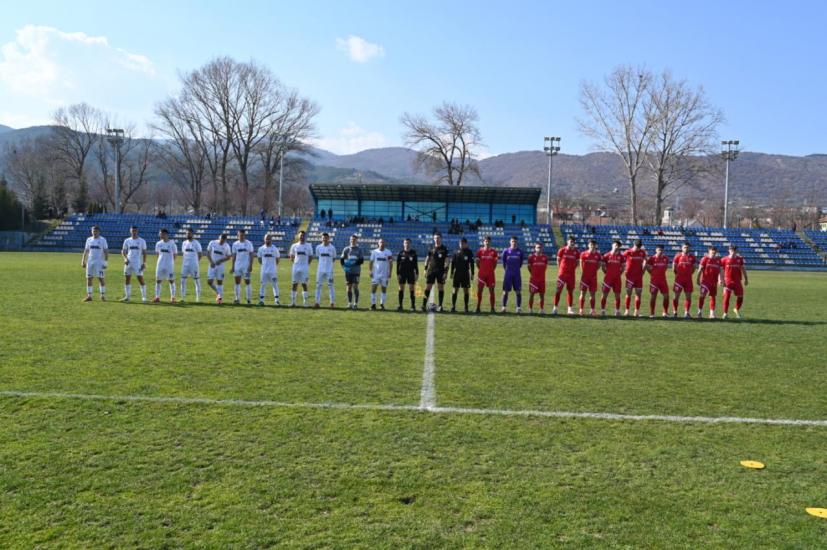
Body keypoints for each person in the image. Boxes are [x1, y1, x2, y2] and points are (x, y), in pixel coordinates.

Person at [553, 236, 580, 315]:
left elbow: (577, 263)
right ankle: (555, 308)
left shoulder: (576, 252)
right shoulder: (562, 250)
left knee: (570, 291)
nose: (572, 243)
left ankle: (569, 309)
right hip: (562, 274)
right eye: (571, 241)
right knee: (558, 290)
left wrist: (572, 269)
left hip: (571, 275)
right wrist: (561, 269)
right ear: (567, 241)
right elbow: (558, 260)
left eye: (573, 242)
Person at [422, 233, 449, 312]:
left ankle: (440, 306)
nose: (437, 239)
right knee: (428, 287)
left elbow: (447, 261)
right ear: (433, 239)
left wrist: (445, 272)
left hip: (440, 271)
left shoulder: (444, 249)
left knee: (440, 287)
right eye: (435, 238)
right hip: (431, 271)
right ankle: (423, 305)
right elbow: (427, 259)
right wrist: (425, 269)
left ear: (441, 239)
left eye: (438, 238)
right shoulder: (431, 248)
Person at [81, 225, 108, 302]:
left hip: (99, 262)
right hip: (90, 262)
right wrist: (83, 260)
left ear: (99, 232)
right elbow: (86, 250)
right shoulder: (89, 239)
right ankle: (89, 296)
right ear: (91, 231)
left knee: (101, 278)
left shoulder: (103, 240)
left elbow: (106, 251)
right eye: (93, 231)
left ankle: (102, 295)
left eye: (96, 231)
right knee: (89, 278)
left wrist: (105, 262)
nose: (94, 232)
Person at [120, 225, 147, 302]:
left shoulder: (142, 241)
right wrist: (125, 258)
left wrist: (144, 263)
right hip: (128, 262)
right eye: (132, 231)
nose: (134, 232)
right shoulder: (127, 240)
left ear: (137, 231)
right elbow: (123, 251)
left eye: (135, 231)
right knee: (127, 278)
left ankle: (144, 297)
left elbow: (145, 252)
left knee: (140, 278)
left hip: (137, 262)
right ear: (130, 231)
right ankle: (127, 297)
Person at [721, 244, 748, 319]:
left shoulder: (740, 259)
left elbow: (743, 269)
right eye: (731, 249)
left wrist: (746, 279)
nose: (732, 251)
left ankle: (736, 309)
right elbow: (721, 271)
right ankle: (725, 313)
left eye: (734, 250)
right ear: (728, 250)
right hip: (727, 281)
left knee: (740, 296)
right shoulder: (724, 259)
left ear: (736, 251)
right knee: (726, 297)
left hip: (737, 281)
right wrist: (720, 279)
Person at [288, 230, 314, 307]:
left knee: (304, 284)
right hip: (296, 267)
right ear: (298, 236)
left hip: (304, 267)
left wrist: (306, 264)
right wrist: (296, 263)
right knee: (294, 284)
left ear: (305, 237)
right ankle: (293, 302)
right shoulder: (294, 246)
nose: (302, 237)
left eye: (303, 236)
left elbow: (310, 257)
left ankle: (305, 302)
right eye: (301, 235)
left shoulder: (308, 246)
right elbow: (291, 256)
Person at [449, 238, 475, 313]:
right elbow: (453, 263)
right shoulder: (455, 251)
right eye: (460, 243)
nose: (461, 244)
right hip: (457, 273)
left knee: (466, 290)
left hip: (465, 273)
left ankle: (466, 307)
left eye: (463, 243)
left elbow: (472, 263)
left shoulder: (469, 252)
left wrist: (472, 273)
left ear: (466, 244)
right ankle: (453, 307)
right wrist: (451, 273)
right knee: (455, 290)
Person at [672, 242, 697, 318]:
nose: (686, 249)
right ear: (682, 248)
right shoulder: (678, 256)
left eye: (687, 247)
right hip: (679, 280)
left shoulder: (692, 257)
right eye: (684, 247)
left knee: (688, 297)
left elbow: (694, 268)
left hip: (688, 280)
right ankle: (675, 312)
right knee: (676, 296)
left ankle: (686, 312)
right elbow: (674, 267)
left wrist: (688, 274)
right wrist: (678, 274)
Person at [623, 239, 647, 317]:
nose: (638, 247)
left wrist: (643, 269)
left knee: (638, 294)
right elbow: (622, 260)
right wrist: (624, 269)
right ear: (634, 244)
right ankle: (627, 311)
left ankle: (636, 311)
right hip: (629, 276)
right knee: (628, 293)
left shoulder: (642, 252)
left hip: (638, 276)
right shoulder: (628, 252)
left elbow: (645, 260)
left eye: (639, 246)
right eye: (637, 246)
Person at [696, 245, 722, 318]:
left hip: (714, 282)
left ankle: (712, 313)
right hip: (705, 282)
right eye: (712, 252)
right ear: (709, 252)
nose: (713, 253)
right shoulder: (704, 259)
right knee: (702, 296)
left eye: (714, 252)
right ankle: (699, 312)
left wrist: (720, 279)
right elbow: (700, 269)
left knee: (712, 297)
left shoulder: (718, 260)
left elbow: (720, 271)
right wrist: (698, 279)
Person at [600, 240, 624, 316]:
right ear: (612, 245)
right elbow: (603, 267)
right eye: (615, 245)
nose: (616, 247)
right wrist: (607, 274)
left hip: (617, 279)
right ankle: (602, 310)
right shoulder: (606, 255)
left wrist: (618, 274)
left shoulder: (621, 257)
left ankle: (617, 311)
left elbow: (623, 268)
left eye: (618, 246)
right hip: (608, 279)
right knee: (604, 294)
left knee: (617, 295)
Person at [153, 228, 178, 303]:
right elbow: (158, 254)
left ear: (165, 234)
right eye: (160, 234)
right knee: (158, 280)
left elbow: (175, 255)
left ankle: (173, 297)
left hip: (169, 265)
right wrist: (161, 261)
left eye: (161, 234)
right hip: (160, 265)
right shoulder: (158, 243)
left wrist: (171, 262)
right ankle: (157, 297)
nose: (160, 235)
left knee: (171, 280)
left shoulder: (172, 244)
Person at [340, 234, 365, 309]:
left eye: (354, 239)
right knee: (349, 287)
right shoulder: (346, 249)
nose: (352, 241)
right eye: (351, 239)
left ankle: (355, 304)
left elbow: (361, 261)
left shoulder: (359, 249)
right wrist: (344, 268)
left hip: (356, 271)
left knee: (355, 287)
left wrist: (352, 263)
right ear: (349, 240)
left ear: (356, 240)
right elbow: (342, 260)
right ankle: (349, 303)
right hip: (348, 272)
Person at [501, 236, 525, 313]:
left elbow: (521, 263)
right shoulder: (506, 251)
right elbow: (503, 263)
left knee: (518, 291)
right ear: (510, 242)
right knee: (505, 291)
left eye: (515, 241)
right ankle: (504, 307)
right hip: (508, 274)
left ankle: (518, 308)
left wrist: (515, 269)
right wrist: (507, 270)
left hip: (517, 274)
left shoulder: (520, 252)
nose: (514, 243)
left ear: (517, 242)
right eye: (512, 241)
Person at [578, 239, 602, 316]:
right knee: (582, 293)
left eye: (594, 245)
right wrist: (584, 272)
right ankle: (581, 310)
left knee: (593, 294)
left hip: (593, 278)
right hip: (584, 277)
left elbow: (599, 265)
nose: (592, 246)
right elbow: (581, 264)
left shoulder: (598, 255)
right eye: (591, 244)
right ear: (588, 245)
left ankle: (592, 310)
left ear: (595, 246)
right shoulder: (583, 254)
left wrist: (593, 271)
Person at [646, 244, 670, 318]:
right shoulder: (651, 258)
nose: (660, 251)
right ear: (656, 250)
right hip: (654, 281)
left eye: (661, 250)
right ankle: (652, 313)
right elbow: (648, 268)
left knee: (666, 296)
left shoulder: (666, 258)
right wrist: (653, 274)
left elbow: (665, 267)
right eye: (659, 250)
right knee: (653, 296)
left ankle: (665, 312)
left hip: (663, 280)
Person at [475, 236, 498, 313]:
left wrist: (491, 270)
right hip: (481, 274)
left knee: (492, 291)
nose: (487, 242)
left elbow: (495, 264)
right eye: (485, 241)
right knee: (479, 291)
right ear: (483, 242)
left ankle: (492, 308)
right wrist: (481, 269)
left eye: (488, 241)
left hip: (490, 275)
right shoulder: (479, 251)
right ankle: (478, 307)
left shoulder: (494, 252)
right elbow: (477, 263)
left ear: (490, 242)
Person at [206, 233, 232, 304]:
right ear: (219, 238)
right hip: (212, 265)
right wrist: (211, 262)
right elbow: (207, 253)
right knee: (209, 282)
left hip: (220, 266)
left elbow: (229, 257)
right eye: (220, 240)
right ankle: (218, 293)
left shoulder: (227, 246)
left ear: (225, 240)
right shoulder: (212, 243)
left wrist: (220, 260)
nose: (221, 241)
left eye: (223, 240)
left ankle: (220, 299)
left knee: (219, 282)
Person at [231, 229, 254, 305]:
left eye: (243, 235)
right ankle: (237, 299)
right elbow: (234, 256)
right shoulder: (235, 244)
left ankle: (248, 299)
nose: (241, 236)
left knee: (247, 282)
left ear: (245, 235)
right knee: (237, 282)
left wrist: (250, 265)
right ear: (238, 236)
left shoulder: (249, 243)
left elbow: (251, 254)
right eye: (240, 235)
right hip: (237, 266)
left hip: (246, 266)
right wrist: (233, 266)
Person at [369, 238, 394, 310]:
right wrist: (370, 271)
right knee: (373, 288)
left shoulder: (388, 252)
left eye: (383, 242)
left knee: (384, 289)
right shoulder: (374, 252)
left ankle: (382, 304)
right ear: (378, 243)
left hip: (385, 274)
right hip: (375, 274)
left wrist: (390, 272)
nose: (382, 243)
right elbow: (371, 262)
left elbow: (391, 263)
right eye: (380, 242)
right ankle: (373, 304)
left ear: (385, 243)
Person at [179, 228, 203, 302]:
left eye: (189, 233)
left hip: (194, 265)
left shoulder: (196, 243)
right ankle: (182, 298)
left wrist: (195, 262)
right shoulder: (184, 243)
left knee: (196, 281)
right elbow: (184, 253)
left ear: (192, 234)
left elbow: (200, 254)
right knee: (182, 281)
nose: (187, 235)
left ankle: (198, 299)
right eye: (186, 233)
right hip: (185, 265)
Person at [257, 233, 280, 306]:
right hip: (264, 271)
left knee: (274, 285)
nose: (268, 240)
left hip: (273, 271)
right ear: (264, 239)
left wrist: (273, 266)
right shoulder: (261, 249)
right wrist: (264, 265)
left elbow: (277, 259)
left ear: (271, 240)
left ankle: (276, 300)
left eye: (269, 239)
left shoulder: (275, 249)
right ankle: (261, 300)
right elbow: (259, 259)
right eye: (266, 239)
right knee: (263, 285)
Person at [314, 232, 336, 308]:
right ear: (321, 238)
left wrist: (328, 265)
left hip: (329, 270)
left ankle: (332, 303)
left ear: (328, 238)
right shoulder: (318, 247)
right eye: (323, 238)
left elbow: (334, 259)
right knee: (318, 286)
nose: (325, 239)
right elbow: (318, 257)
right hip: (320, 270)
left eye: (326, 238)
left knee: (330, 286)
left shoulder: (332, 248)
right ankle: (317, 302)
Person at [396, 238, 419, 311]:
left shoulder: (413, 253)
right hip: (402, 273)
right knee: (401, 288)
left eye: (408, 243)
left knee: (411, 289)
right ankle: (400, 305)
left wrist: (417, 273)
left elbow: (415, 264)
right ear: (403, 244)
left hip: (410, 273)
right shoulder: (400, 253)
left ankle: (413, 306)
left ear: (410, 244)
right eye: (405, 243)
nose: (407, 244)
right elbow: (397, 264)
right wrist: (397, 274)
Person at [527, 242, 549, 314]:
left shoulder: (545, 257)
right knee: (531, 294)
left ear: (542, 248)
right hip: (534, 280)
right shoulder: (531, 257)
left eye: (540, 247)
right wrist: (533, 274)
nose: (539, 249)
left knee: (542, 295)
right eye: (537, 247)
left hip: (542, 280)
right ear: (535, 248)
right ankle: (530, 309)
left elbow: (545, 267)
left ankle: (542, 309)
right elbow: (529, 267)